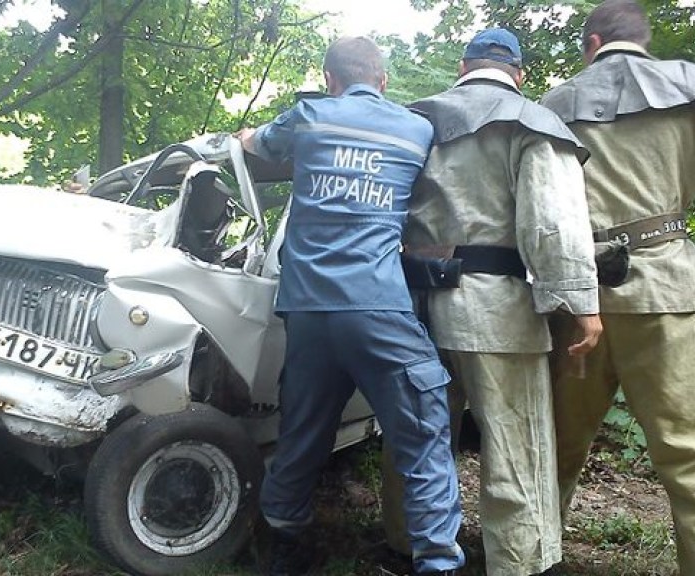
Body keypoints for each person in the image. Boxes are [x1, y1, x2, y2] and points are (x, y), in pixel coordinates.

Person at [237, 36, 464, 576]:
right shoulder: (415, 128)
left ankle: (283, 548)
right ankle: (437, 562)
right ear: (383, 81)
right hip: (377, 308)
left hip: (309, 312)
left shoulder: (309, 115)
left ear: (329, 78)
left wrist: (247, 135)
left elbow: (253, 144)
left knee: (301, 434)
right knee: (422, 433)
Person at [382, 28, 603, 576]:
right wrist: (580, 303)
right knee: (514, 440)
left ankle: (407, 540)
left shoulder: (414, 120)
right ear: (519, 74)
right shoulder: (531, 122)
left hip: (410, 306)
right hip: (493, 308)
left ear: (463, 66)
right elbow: (551, 225)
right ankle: (518, 560)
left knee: (417, 431)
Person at [540, 1, 695, 573]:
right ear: (644, 40)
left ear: (592, 42)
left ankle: (535, 557)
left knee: (557, 445)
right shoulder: (688, 87)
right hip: (667, 287)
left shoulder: (556, 104)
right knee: (686, 454)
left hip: (579, 293)